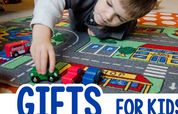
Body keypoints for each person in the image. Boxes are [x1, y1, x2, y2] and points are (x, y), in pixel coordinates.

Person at [30, 0, 158, 75]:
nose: (108, 16)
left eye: (119, 17)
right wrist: (41, 34)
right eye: (109, 3)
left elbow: (115, 29)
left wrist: (100, 31)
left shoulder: (125, 26)